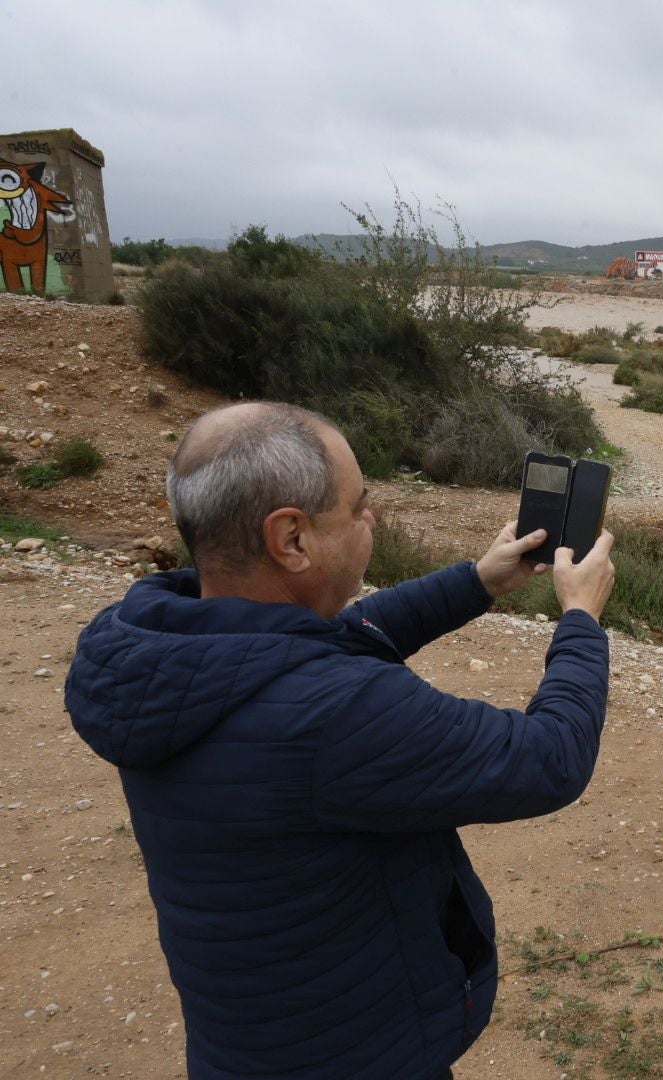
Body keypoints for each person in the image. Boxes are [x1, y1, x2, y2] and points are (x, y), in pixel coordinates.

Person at [66, 402, 616, 1079]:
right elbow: (549, 759)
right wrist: (582, 620)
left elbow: (337, 639)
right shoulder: (336, 714)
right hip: (362, 1053)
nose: (372, 519)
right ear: (291, 539)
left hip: (249, 1045)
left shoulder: (158, 654)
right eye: (358, 507)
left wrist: (476, 583)